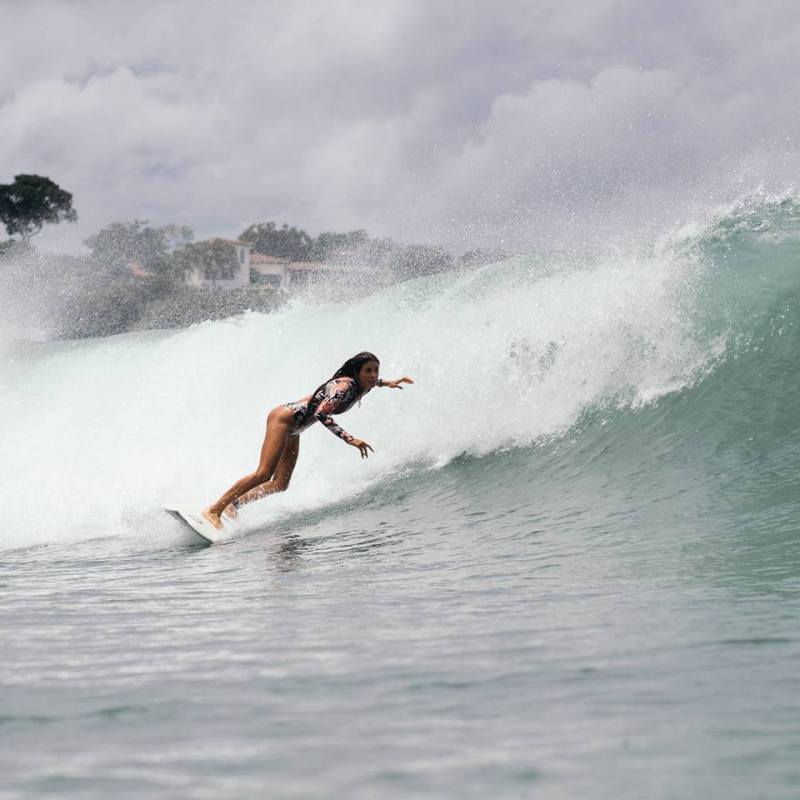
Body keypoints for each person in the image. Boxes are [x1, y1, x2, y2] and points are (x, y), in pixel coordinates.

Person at [202, 352, 414, 529]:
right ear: (357, 371)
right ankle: (214, 509)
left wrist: (388, 383)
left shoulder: (361, 385)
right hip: (284, 419)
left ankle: (234, 504)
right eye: (368, 370)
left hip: (295, 429)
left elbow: (373, 383)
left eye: (376, 370)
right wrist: (350, 439)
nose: (373, 374)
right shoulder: (345, 387)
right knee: (264, 473)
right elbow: (321, 413)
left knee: (280, 484)